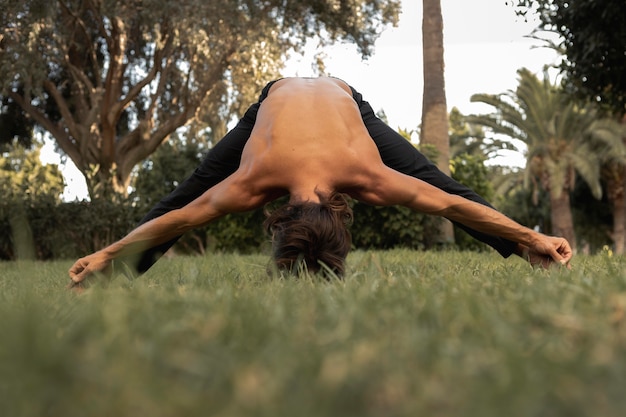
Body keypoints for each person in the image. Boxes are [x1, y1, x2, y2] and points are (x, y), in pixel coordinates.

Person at [68, 77, 571, 285]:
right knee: (436, 185)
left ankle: (112, 274)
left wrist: (107, 253)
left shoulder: (266, 180)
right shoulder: (264, 179)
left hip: (341, 101)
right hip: (280, 99)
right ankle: (528, 250)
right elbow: (449, 207)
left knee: (192, 191)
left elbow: (183, 214)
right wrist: (534, 236)